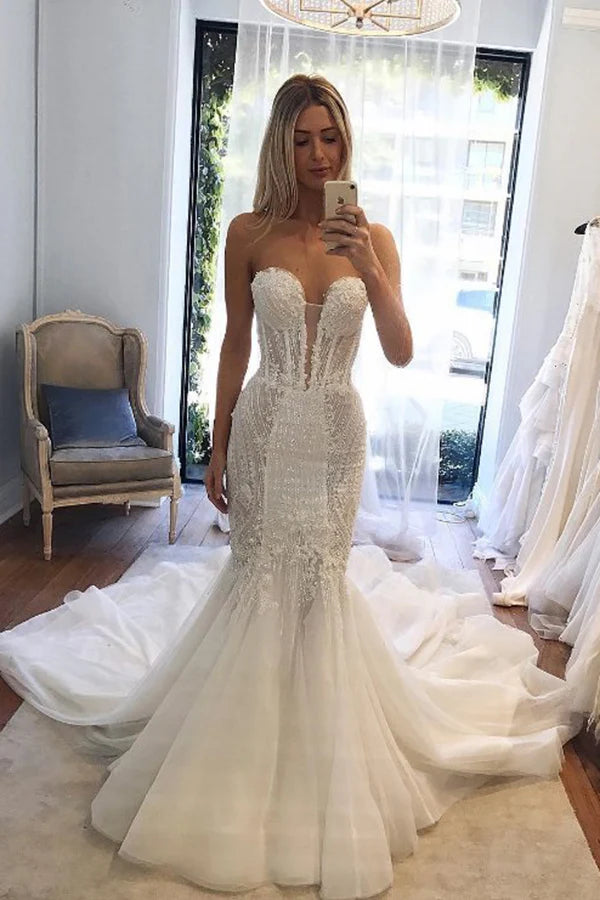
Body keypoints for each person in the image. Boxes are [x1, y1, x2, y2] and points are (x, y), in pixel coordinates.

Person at [0, 75, 582, 900]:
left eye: (330, 138)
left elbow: (402, 349)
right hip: (269, 425)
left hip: (337, 433)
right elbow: (236, 344)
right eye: (303, 139)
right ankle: (237, 741)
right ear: (282, 143)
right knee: (261, 575)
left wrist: (368, 265)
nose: (318, 155)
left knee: (318, 581)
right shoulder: (250, 232)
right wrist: (219, 443)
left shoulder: (374, 237)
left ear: (346, 143)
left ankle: (320, 742)